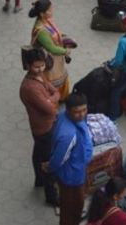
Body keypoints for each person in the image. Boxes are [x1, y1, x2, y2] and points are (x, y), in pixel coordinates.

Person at [19, 47, 60, 208]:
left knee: (39, 154)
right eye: (36, 66)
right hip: (44, 128)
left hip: (40, 127)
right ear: (28, 65)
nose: (41, 69)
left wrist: (51, 99)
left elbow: (55, 91)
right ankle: (51, 195)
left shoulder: (38, 77)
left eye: (42, 65)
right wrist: (52, 100)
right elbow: (50, 109)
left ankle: (39, 180)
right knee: (48, 161)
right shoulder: (30, 88)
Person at [47, 93, 93, 225]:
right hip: (71, 177)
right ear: (68, 110)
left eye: (84, 109)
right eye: (77, 112)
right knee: (72, 208)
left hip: (77, 167)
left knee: (74, 205)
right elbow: (58, 159)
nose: (82, 114)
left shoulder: (65, 116)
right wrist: (50, 167)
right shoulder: (68, 135)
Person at [29, 0, 73, 100]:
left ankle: (62, 97)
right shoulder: (41, 31)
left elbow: (56, 32)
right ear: (42, 14)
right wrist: (66, 51)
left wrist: (65, 37)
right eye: (49, 10)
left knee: (61, 75)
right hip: (49, 61)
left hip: (56, 58)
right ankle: (54, 99)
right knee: (54, 81)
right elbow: (51, 48)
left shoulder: (47, 20)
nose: (52, 11)